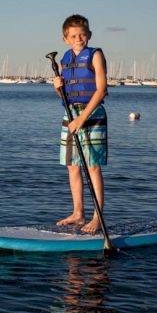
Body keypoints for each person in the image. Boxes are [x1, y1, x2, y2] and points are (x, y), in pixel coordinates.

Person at [52, 14, 108, 233]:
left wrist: (81, 119)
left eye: (82, 34)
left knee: (92, 166)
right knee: (72, 166)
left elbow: (101, 89)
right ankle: (78, 213)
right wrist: (57, 87)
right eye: (74, 35)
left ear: (89, 35)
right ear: (65, 38)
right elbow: (63, 95)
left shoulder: (95, 55)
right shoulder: (64, 60)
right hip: (70, 113)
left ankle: (97, 217)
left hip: (91, 115)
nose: (79, 38)